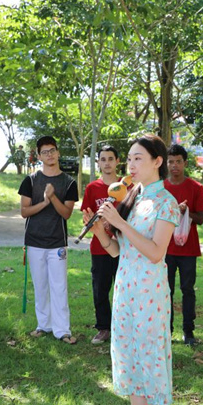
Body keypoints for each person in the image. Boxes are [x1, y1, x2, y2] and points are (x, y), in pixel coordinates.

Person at [83, 135, 179, 405]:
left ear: (157, 161)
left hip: (150, 295)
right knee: (132, 363)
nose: (131, 166)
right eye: (129, 160)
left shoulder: (166, 202)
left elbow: (155, 252)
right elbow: (116, 250)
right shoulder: (133, 198)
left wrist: (120, 223)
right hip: (125, 291)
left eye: (138, 159)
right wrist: (99, 231)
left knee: (153, 366)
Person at [19, 136, 78, 344]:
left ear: (58, 152)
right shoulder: (31, 180)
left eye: (52, 150)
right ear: (39, 156)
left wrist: (53, 198)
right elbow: (24, 212)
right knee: (40, 285)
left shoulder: (69, 182)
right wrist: (44, 202)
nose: (50, 155)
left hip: (57, 243)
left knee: (59, 285)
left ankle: (62, 330)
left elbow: (66, 213)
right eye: (45, 152)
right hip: (34, 241)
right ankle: (43, 325)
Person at [164, 144, 203, 346]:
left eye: (178, 161)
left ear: (185, 163)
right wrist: (173, 210)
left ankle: (188, 332)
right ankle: (166, 330)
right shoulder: (161, 188)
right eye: (171, 161)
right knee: (166, 290)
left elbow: (201, 218)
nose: (174, 166)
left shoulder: (195, 188)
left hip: (188, 249)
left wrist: (185, 212)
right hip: (165, 248)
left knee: (187, 290)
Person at [80, 145, 121, 345]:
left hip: (123, 246)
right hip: (99, 248)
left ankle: (123, 328)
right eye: (103, 159)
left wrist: (115, 221)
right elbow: (85, 216)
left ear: (117, 162)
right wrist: (94, 223)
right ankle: (103, 328)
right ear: (98, 163)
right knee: (100, 290)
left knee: (123, 289)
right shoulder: (92, 188)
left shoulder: (126, 187)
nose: (107, 163)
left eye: (110, 159)